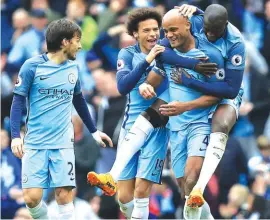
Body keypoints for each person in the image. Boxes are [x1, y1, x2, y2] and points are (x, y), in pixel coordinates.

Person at [10, 18, 112, 220]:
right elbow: (18, 102)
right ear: (64, 42)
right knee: (31, 199)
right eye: (77, 40)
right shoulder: (32, 66)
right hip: (35, 142)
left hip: (63, 143)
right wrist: (15, 136)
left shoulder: (73, 68)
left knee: (64, 195)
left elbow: (79, 100)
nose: (80, 45)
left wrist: (93, 131)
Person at [88, 8, 170, 219]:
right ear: (135, 34)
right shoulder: (128, 54)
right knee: (124, 199)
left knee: (142, 190)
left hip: (157, 128)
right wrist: (147, 59)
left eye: (156, 29)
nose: (153, 34)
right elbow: (123, 86)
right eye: (147, 30)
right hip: (130, 128)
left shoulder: (168, 52)